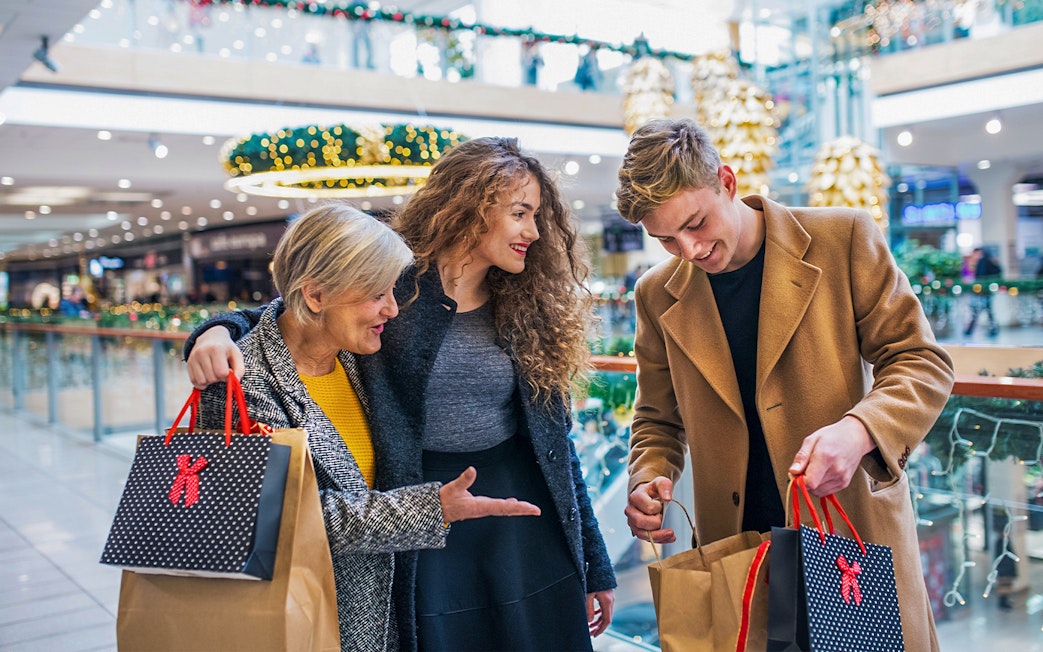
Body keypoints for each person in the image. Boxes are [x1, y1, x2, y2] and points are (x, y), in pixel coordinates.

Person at [184, 137, 616, 651]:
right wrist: (214, 330)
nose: (534, 231)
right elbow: (295, 310)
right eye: (520, 213)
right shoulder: (395, 283)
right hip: (420, 518)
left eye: (537, 215)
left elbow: (556, 444)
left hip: (523, 514)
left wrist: (594, 560)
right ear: (471, 207)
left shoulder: (527, 302)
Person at [615, 119, 954, 651]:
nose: (689, 249)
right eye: (665, 239)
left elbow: (920, 360)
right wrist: (647, 477)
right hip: (736, 551)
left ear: (727, 182)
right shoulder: (656, 293)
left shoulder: (842, 238)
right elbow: (657, 417)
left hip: (847, 538)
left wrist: (859, 431)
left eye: (697, 223)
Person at [964, 246, 1002, 337]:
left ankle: (971, 330)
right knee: (984, 310)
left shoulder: (983, 262)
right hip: (983, 292)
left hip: (982, 292)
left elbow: (980, 276)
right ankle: (991, 329)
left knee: (978, 311)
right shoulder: (980, 262)